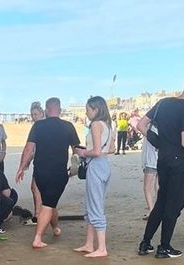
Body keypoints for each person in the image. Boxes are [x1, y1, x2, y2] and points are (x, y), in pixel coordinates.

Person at [136, 78, 184, 258]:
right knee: (174, 205)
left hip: (163, 158)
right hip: (179, 161)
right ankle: (164, 246)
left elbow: (140, 124)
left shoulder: (163, 103)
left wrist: (156, 141)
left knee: (161, 201)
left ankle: (145, 243)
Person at [15, 97, 81, 248]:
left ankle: (56, 228)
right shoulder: (68, 126)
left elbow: (28, 148)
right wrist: (79, 165)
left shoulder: (38, 126)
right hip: (58, 173)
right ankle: (37, 238)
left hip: (40, 173)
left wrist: (21, 167)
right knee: (48, 204)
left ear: (46, 109)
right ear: (59, 109)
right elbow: (76, 151)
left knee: (49, 202)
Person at [74, 96, 115, 258]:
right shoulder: (108, 125)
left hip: (96, 166)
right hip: (104, 165)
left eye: (88, 109)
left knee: (95, 207)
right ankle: (90, 244)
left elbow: (96, 151)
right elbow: (110, 149)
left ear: (96, 110)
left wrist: (83, 152)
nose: (86, 112)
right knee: (93, 205)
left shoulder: (96, 124)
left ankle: (101, 248)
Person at [23, 101, 46, 226]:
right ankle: (40, 214)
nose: (34, 117)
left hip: (41, 163)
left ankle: (37, 216)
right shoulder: (42, 125)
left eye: (36, 114)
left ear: (42, 113)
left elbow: (30, 148)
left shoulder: (39, 127)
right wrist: (28, 161)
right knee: (38, 189)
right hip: (41, 162)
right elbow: (34, 149)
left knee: (35, 188)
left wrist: (24, 163)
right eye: (32, 115)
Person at [141, 132, 159, 221]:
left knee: (147, 187)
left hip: (151, 160)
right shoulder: (163, 126)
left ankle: (151, 210)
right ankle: (157, 209)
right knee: (158, 186)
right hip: (161, 158)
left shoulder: (149, 127)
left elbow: (139, 126)